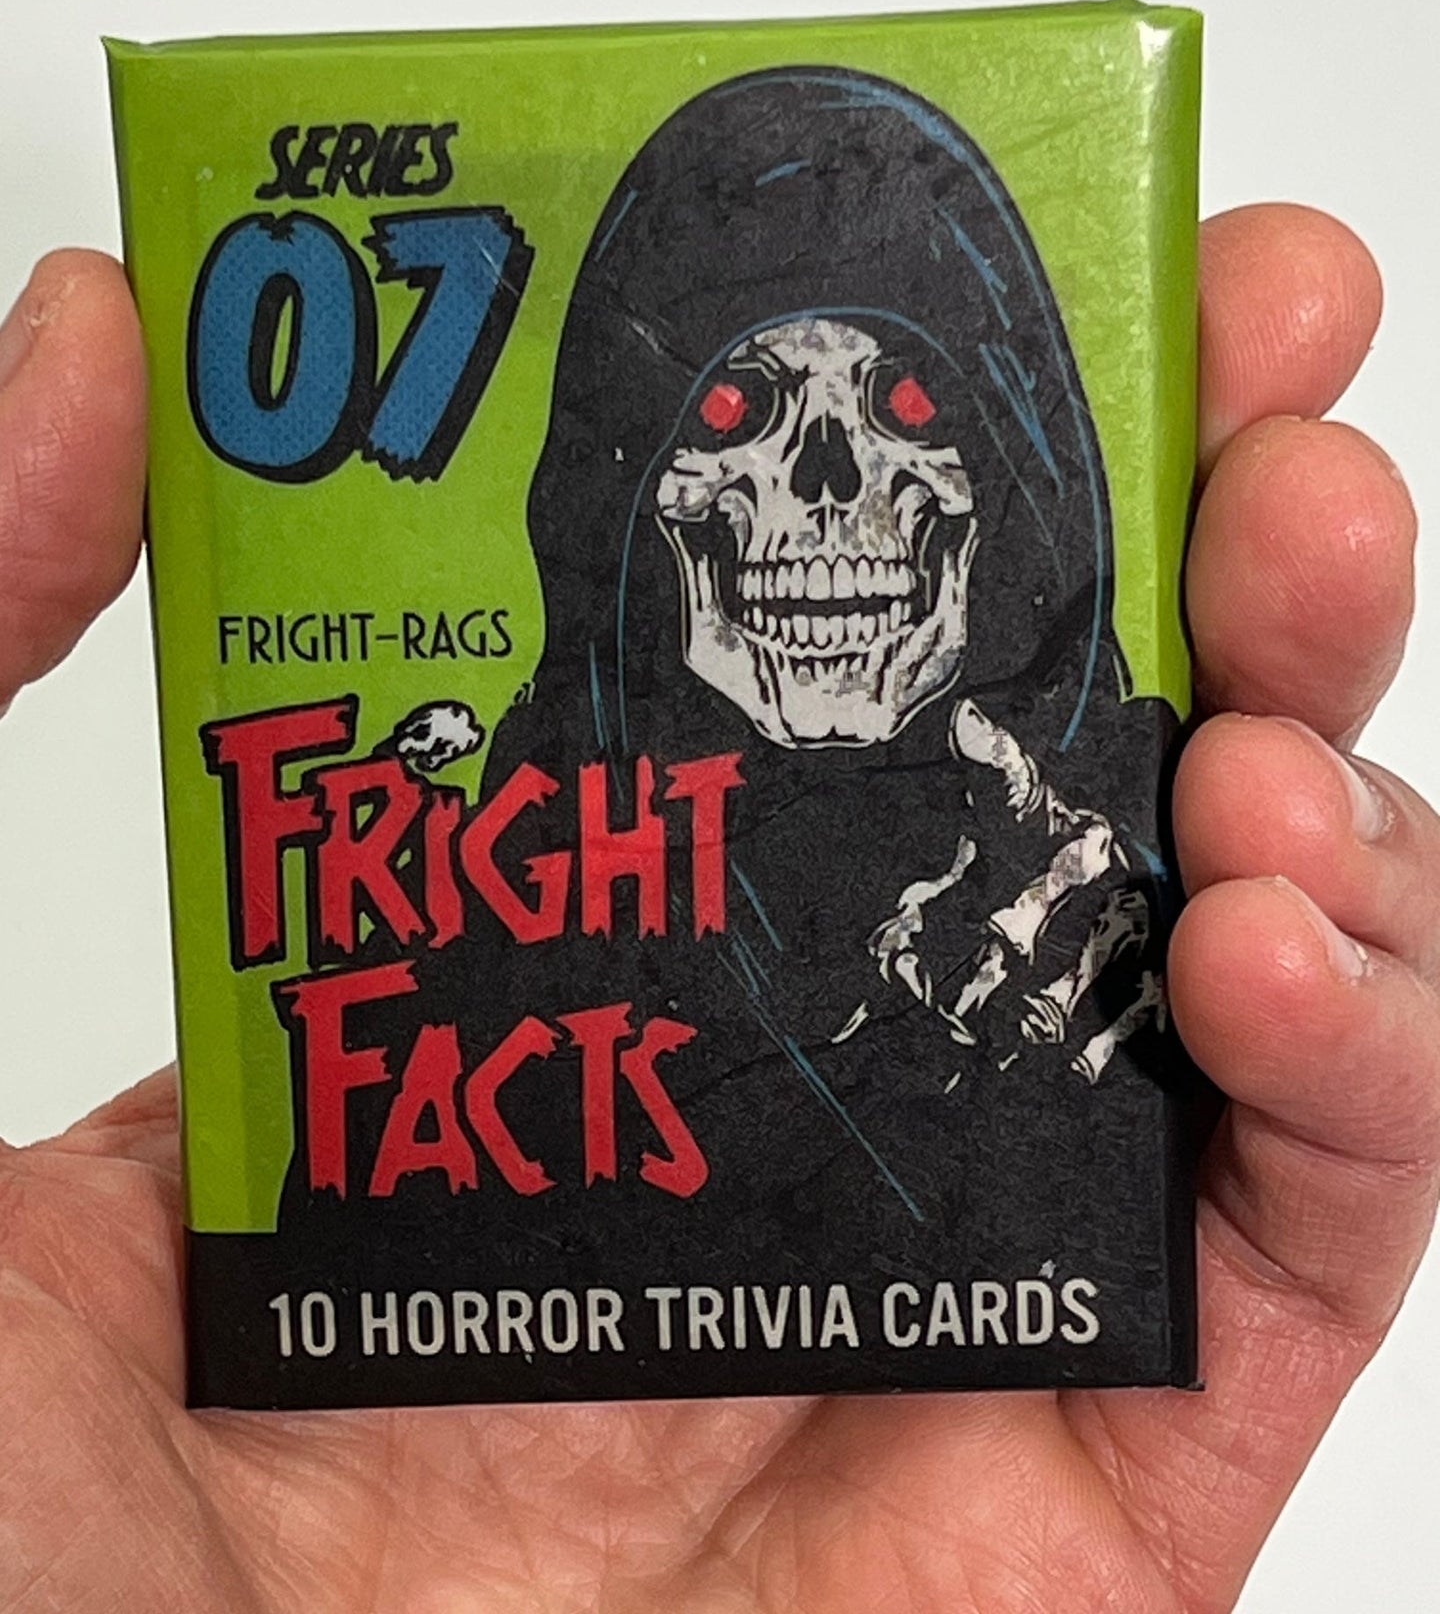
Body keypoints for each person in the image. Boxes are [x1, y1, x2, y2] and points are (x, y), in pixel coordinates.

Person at [0, 203, 1431, 1612]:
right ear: (630, 501)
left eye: (907, 403)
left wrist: (1079, 1114)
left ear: (1010, 476)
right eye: (739, 407)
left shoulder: (1097, 891)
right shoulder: (469, 995)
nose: (826, 473)